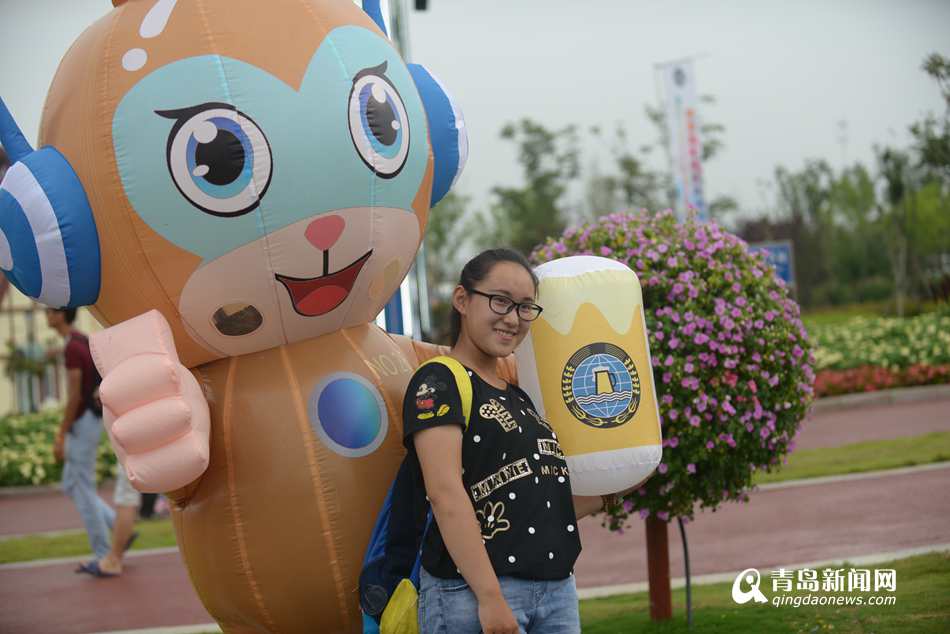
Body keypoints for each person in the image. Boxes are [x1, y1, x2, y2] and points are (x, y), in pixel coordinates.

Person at [402, 249, 644, 634]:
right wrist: (490, 598)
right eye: (500, 301)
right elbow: (445, 494)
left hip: (555, 588)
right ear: (463, 300)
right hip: (473, 593)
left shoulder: (521, 397)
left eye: (525, 307)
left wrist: (615, 489)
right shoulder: (439, 382)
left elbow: (536, 503)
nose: (512, 318)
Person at [47, 307, 139, 577]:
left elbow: (74, 394)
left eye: (51, 312)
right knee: (71, 484)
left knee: (81, 487)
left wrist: (61, 432)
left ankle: (103, 552)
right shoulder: (81, 340)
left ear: (61, 315)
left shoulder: (73, 348)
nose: (47, 316)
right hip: (91, 419)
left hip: (82, 421)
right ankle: (117, 526)